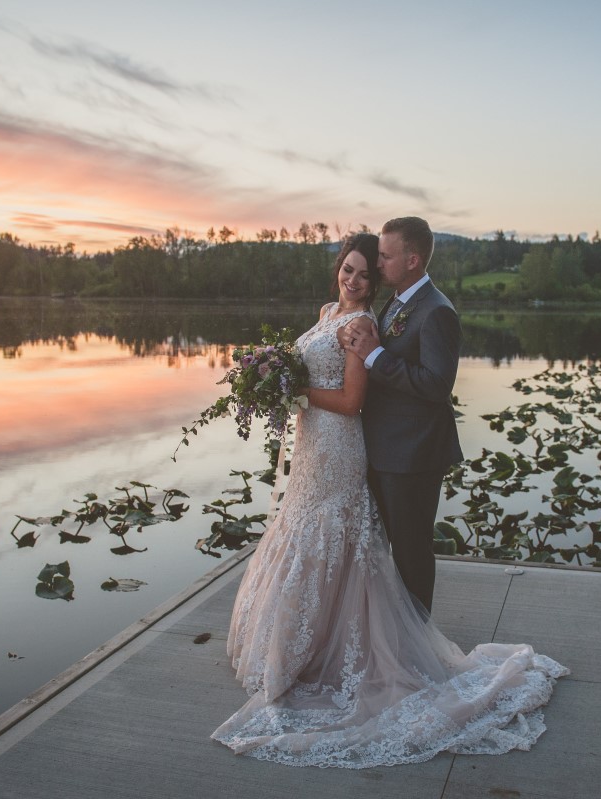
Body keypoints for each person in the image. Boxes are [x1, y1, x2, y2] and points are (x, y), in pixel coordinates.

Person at [212, 232, 567, 768]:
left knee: (364, 541)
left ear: (402, 264)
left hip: (355, 444)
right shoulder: (338, 310)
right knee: (319, 533)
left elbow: (361, 398)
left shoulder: (374, 323)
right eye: (351, 268)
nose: (357, 277)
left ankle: (403, 648)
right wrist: (274, 371)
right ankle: (315, 642)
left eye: (368, 269)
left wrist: (296, 391)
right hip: (321, 446)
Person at [338, 216, 461, 612]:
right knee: (382, 550)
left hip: (414, 455)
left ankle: (419, 641)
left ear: (413, 260)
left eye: (386, 257)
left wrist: (374, 356)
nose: (377, 265)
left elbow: (436, 386)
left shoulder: (437, 311)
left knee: (411, 554)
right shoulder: (396, 302)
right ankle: (392, 634)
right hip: (382, 449)